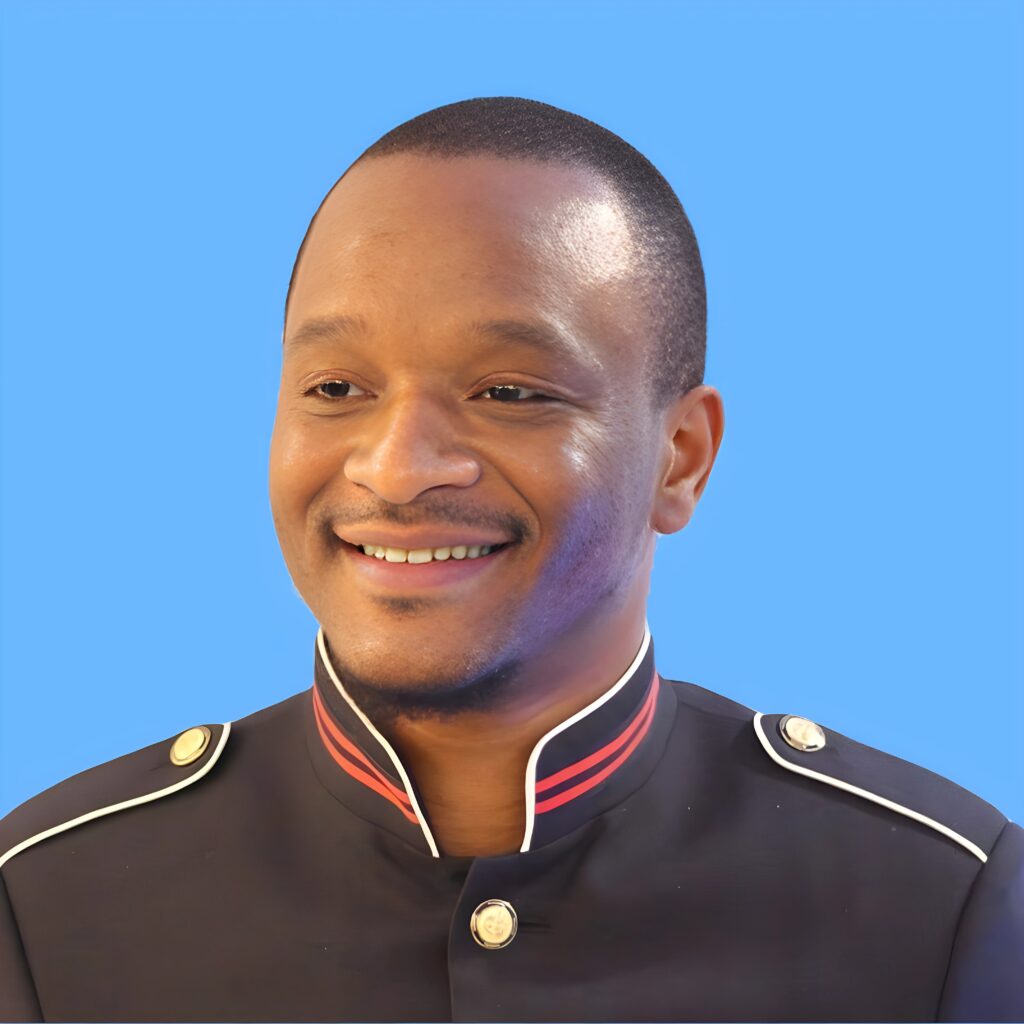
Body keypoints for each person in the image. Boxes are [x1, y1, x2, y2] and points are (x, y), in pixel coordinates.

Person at [0, 96, 1020, 1024]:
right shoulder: (52, 907)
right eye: (336, 388)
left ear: (680, 458)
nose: (396, 469)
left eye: (510, 393)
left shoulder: (940, 910)